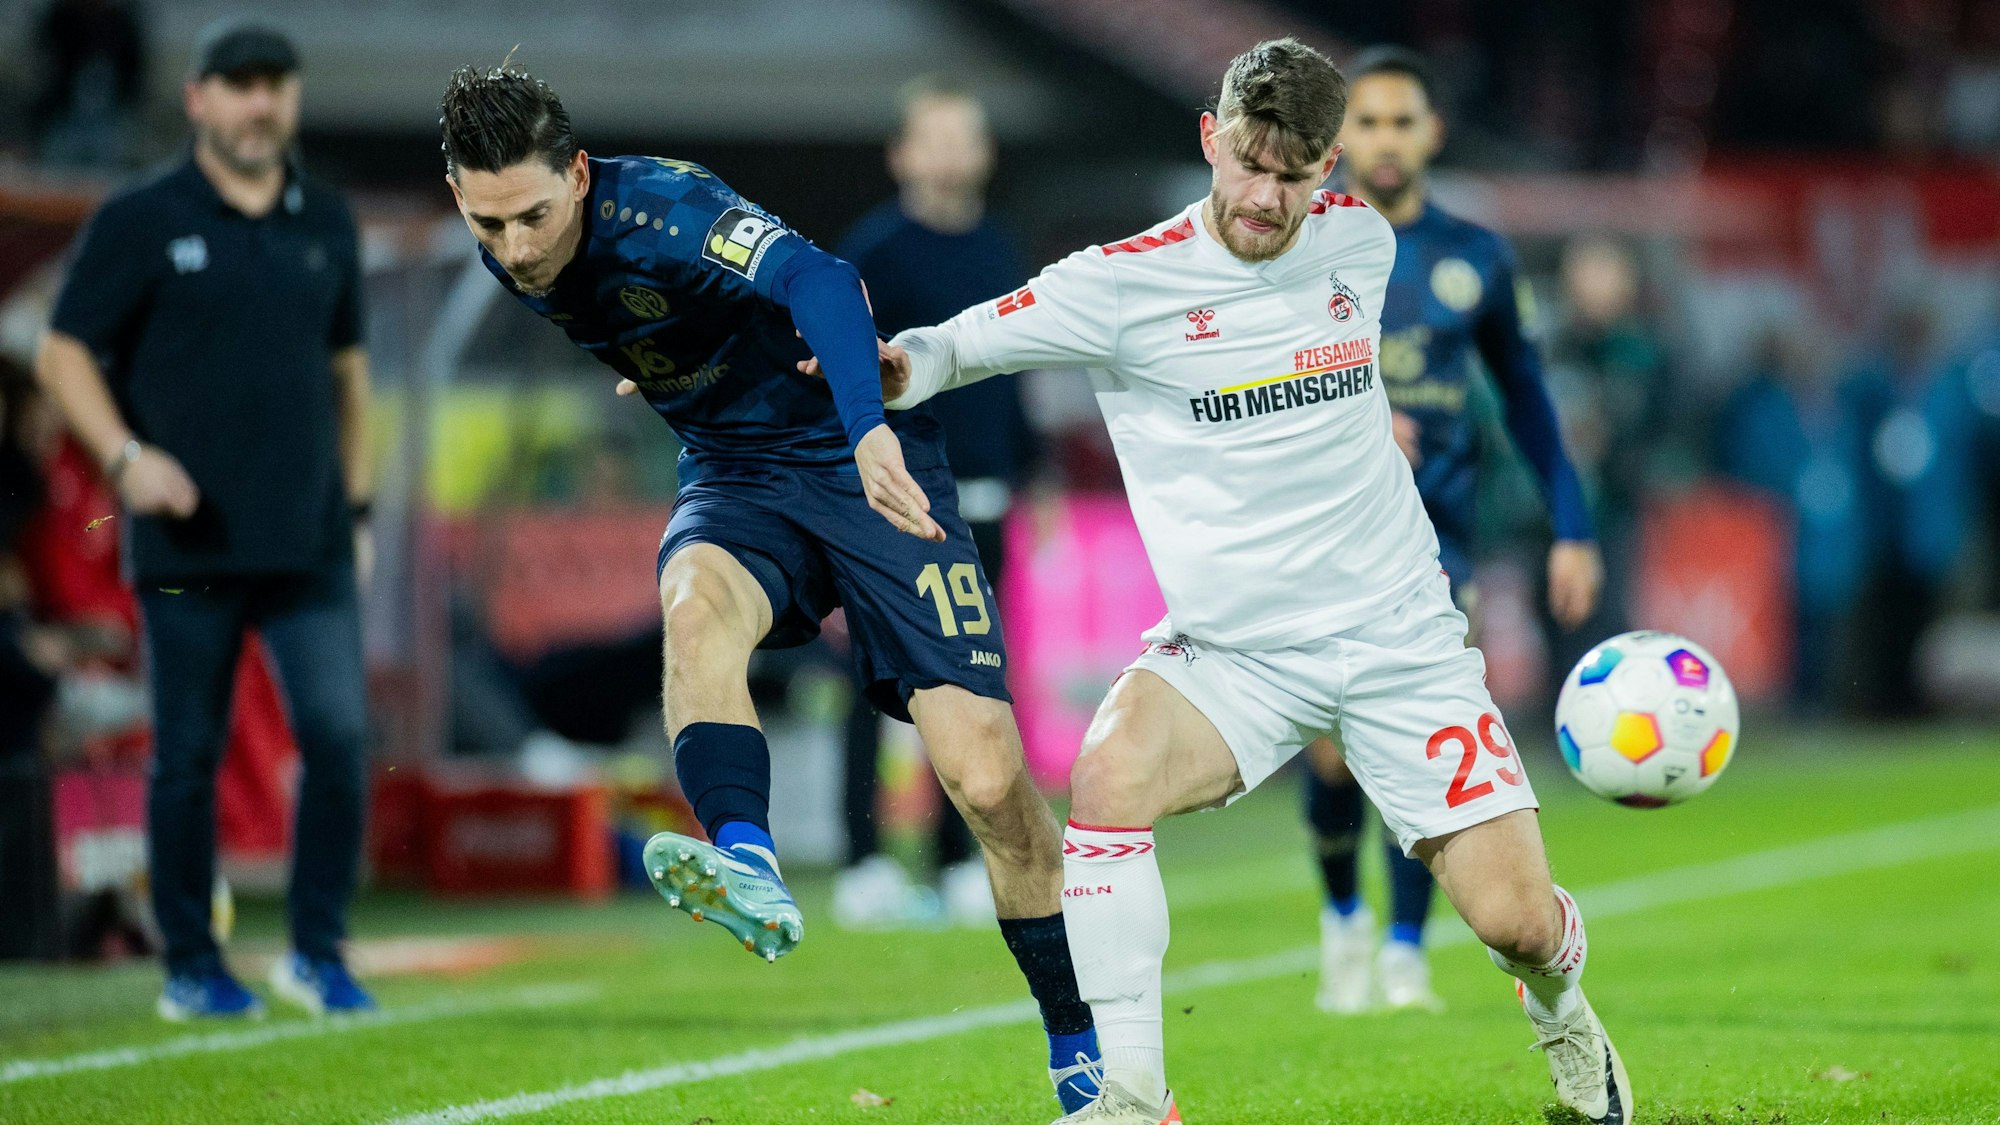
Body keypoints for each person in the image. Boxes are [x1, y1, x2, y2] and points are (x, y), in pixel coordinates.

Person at [829, 38, 1632, 1124]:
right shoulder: (1119, 285)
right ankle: (1130, 1094)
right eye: (1248, 162)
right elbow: (958, 346)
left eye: (1293, 175)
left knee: (1514, 925)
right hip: (1233, 655)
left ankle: (1565, 1017)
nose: (1264, 197)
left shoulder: (1362, 245)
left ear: (1329, 170)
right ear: (1209, 138)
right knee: (1108, 778)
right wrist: (891, 368)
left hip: (1397, 640)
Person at [435, 63, 1102, 1113]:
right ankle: (747, 858)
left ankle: (1080, 1047)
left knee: (984, 784)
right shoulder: (515, 247)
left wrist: (867, 427)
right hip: (735, 477)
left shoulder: (667, 205)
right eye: (488, 224)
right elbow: (651, 324)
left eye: (530, 216)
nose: (515, 248)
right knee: (694, 612)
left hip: (860, 464)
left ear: (575, 171)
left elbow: (823, 282)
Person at [34, 19, 376, 1020]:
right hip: (187, 547)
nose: (259, 102)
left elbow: (351, 376)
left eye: (274, 84)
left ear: (293, 98)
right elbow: (63, 353)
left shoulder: (328, 221)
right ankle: (191, 964)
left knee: (341, 738)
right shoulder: (141, 218)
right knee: (187, 752)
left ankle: (317, 951)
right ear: (196, 101)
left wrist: (356, 504)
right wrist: (128, 459)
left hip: (309, 537)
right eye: (238, 86)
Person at [1294, 47, 1601, 1016]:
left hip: (1434, 538)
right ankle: (1342, 914)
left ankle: (1400, 947)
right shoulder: (1299, 243)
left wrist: (1570, 524)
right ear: (1341, 140)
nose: (1384, 140)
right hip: (1320, 530)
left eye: (1401, 121)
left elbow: (1526, 400)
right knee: (1333, 752)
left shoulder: (1473, 254)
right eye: (1368, 122)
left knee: (1414, 740)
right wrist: (1346, 415)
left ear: (1429, 133)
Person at [831, 75, 1039, 929]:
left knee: (977, 680)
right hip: (901, 498)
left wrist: (1035, 473)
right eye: (936, 136)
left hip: (989, 494)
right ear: (903, 154)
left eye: (967, 135)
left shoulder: (1002, 248)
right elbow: (845, 373)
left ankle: (959, 861)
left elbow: (1015, 374)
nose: (953, 152)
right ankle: (866, 858)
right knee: (877, 678)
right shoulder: (873, 252)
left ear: (986, 151)